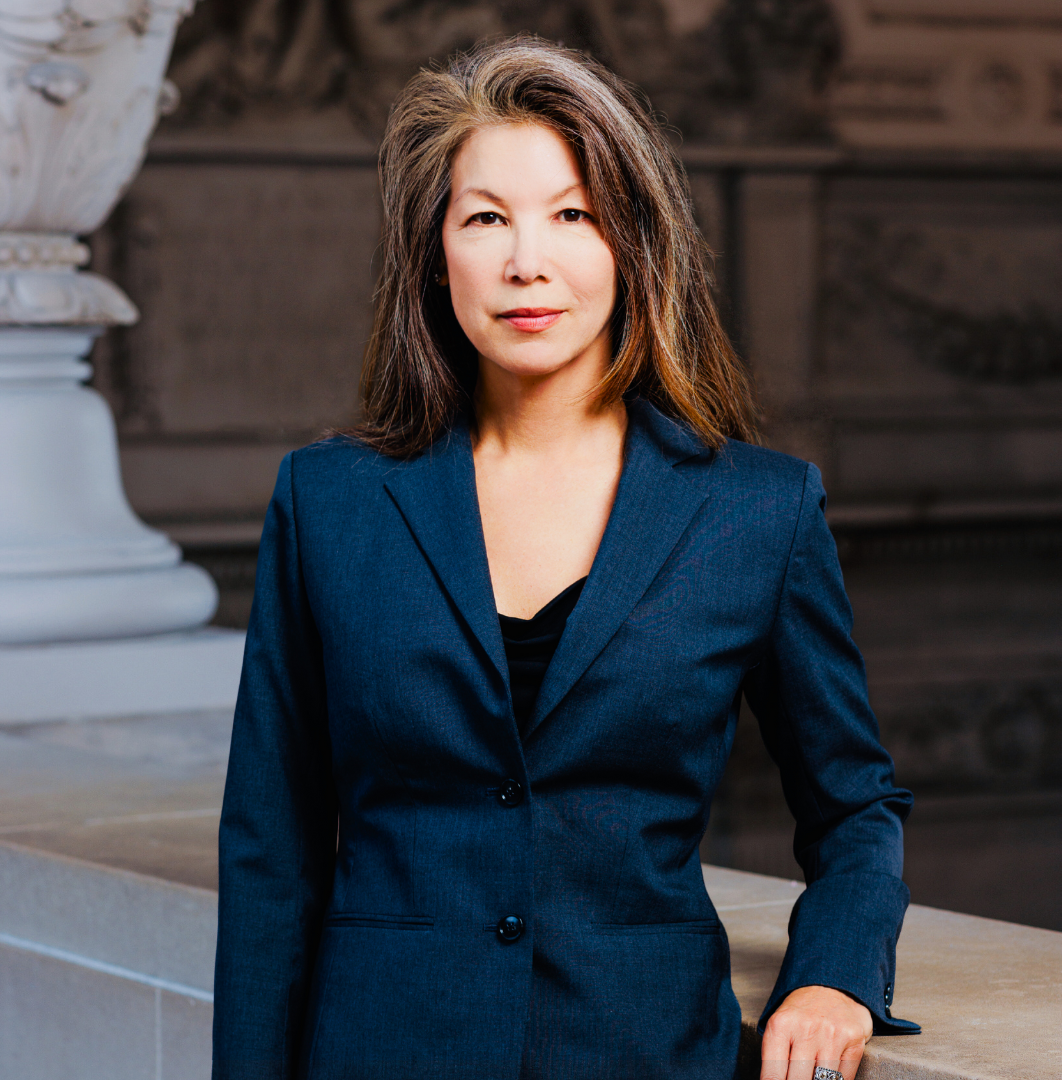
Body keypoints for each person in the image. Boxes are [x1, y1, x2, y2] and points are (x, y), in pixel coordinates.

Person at [212, 35, 919, 1080]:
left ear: (634, 243)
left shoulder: (756, 512)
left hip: (644, 1050)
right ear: (433, 252)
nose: (525, 262)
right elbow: (271, 850)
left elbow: (857, 806)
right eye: (486, 217)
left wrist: (836, 974)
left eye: (573, 215)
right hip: (381, 1052)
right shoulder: (331, 503)